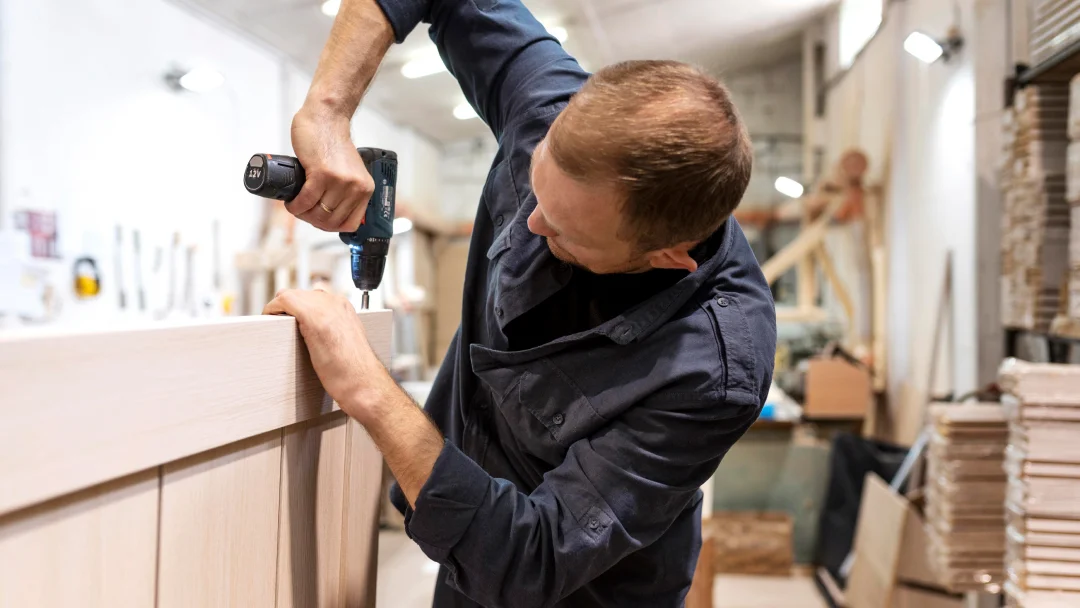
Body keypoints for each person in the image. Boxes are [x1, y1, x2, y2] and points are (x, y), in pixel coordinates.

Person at [264, 0, 777, 605]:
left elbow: (530, 560)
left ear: (667, 257)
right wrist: (327, 110)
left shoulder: (714, 370)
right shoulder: (546, 108)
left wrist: (368, 388)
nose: (530, 223)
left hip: (575, 588)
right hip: (461, 542)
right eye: (535, 187)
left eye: (563, 233)